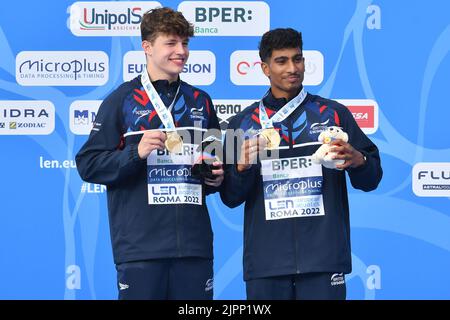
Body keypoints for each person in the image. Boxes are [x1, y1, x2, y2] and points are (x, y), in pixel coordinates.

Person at [220, 28, 382, 300]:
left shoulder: (334, 114)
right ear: (265, 68)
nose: (293, 68)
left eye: (298, 59)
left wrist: (359, 161)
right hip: (266, 264)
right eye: (282, 61)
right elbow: (230, 197)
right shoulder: (243, 123)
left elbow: (372, 179)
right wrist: (240, 168)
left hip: (324, 259)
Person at [76, 7, 224, 300]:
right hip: (141, 248)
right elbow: (88, 164)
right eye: (171, 43)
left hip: (194, 247)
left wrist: (216, 178)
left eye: (185, 43)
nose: (180, 51)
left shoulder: (201, 101)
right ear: (147, 47)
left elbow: (215, 168)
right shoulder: (121, 100)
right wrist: (136, 153)